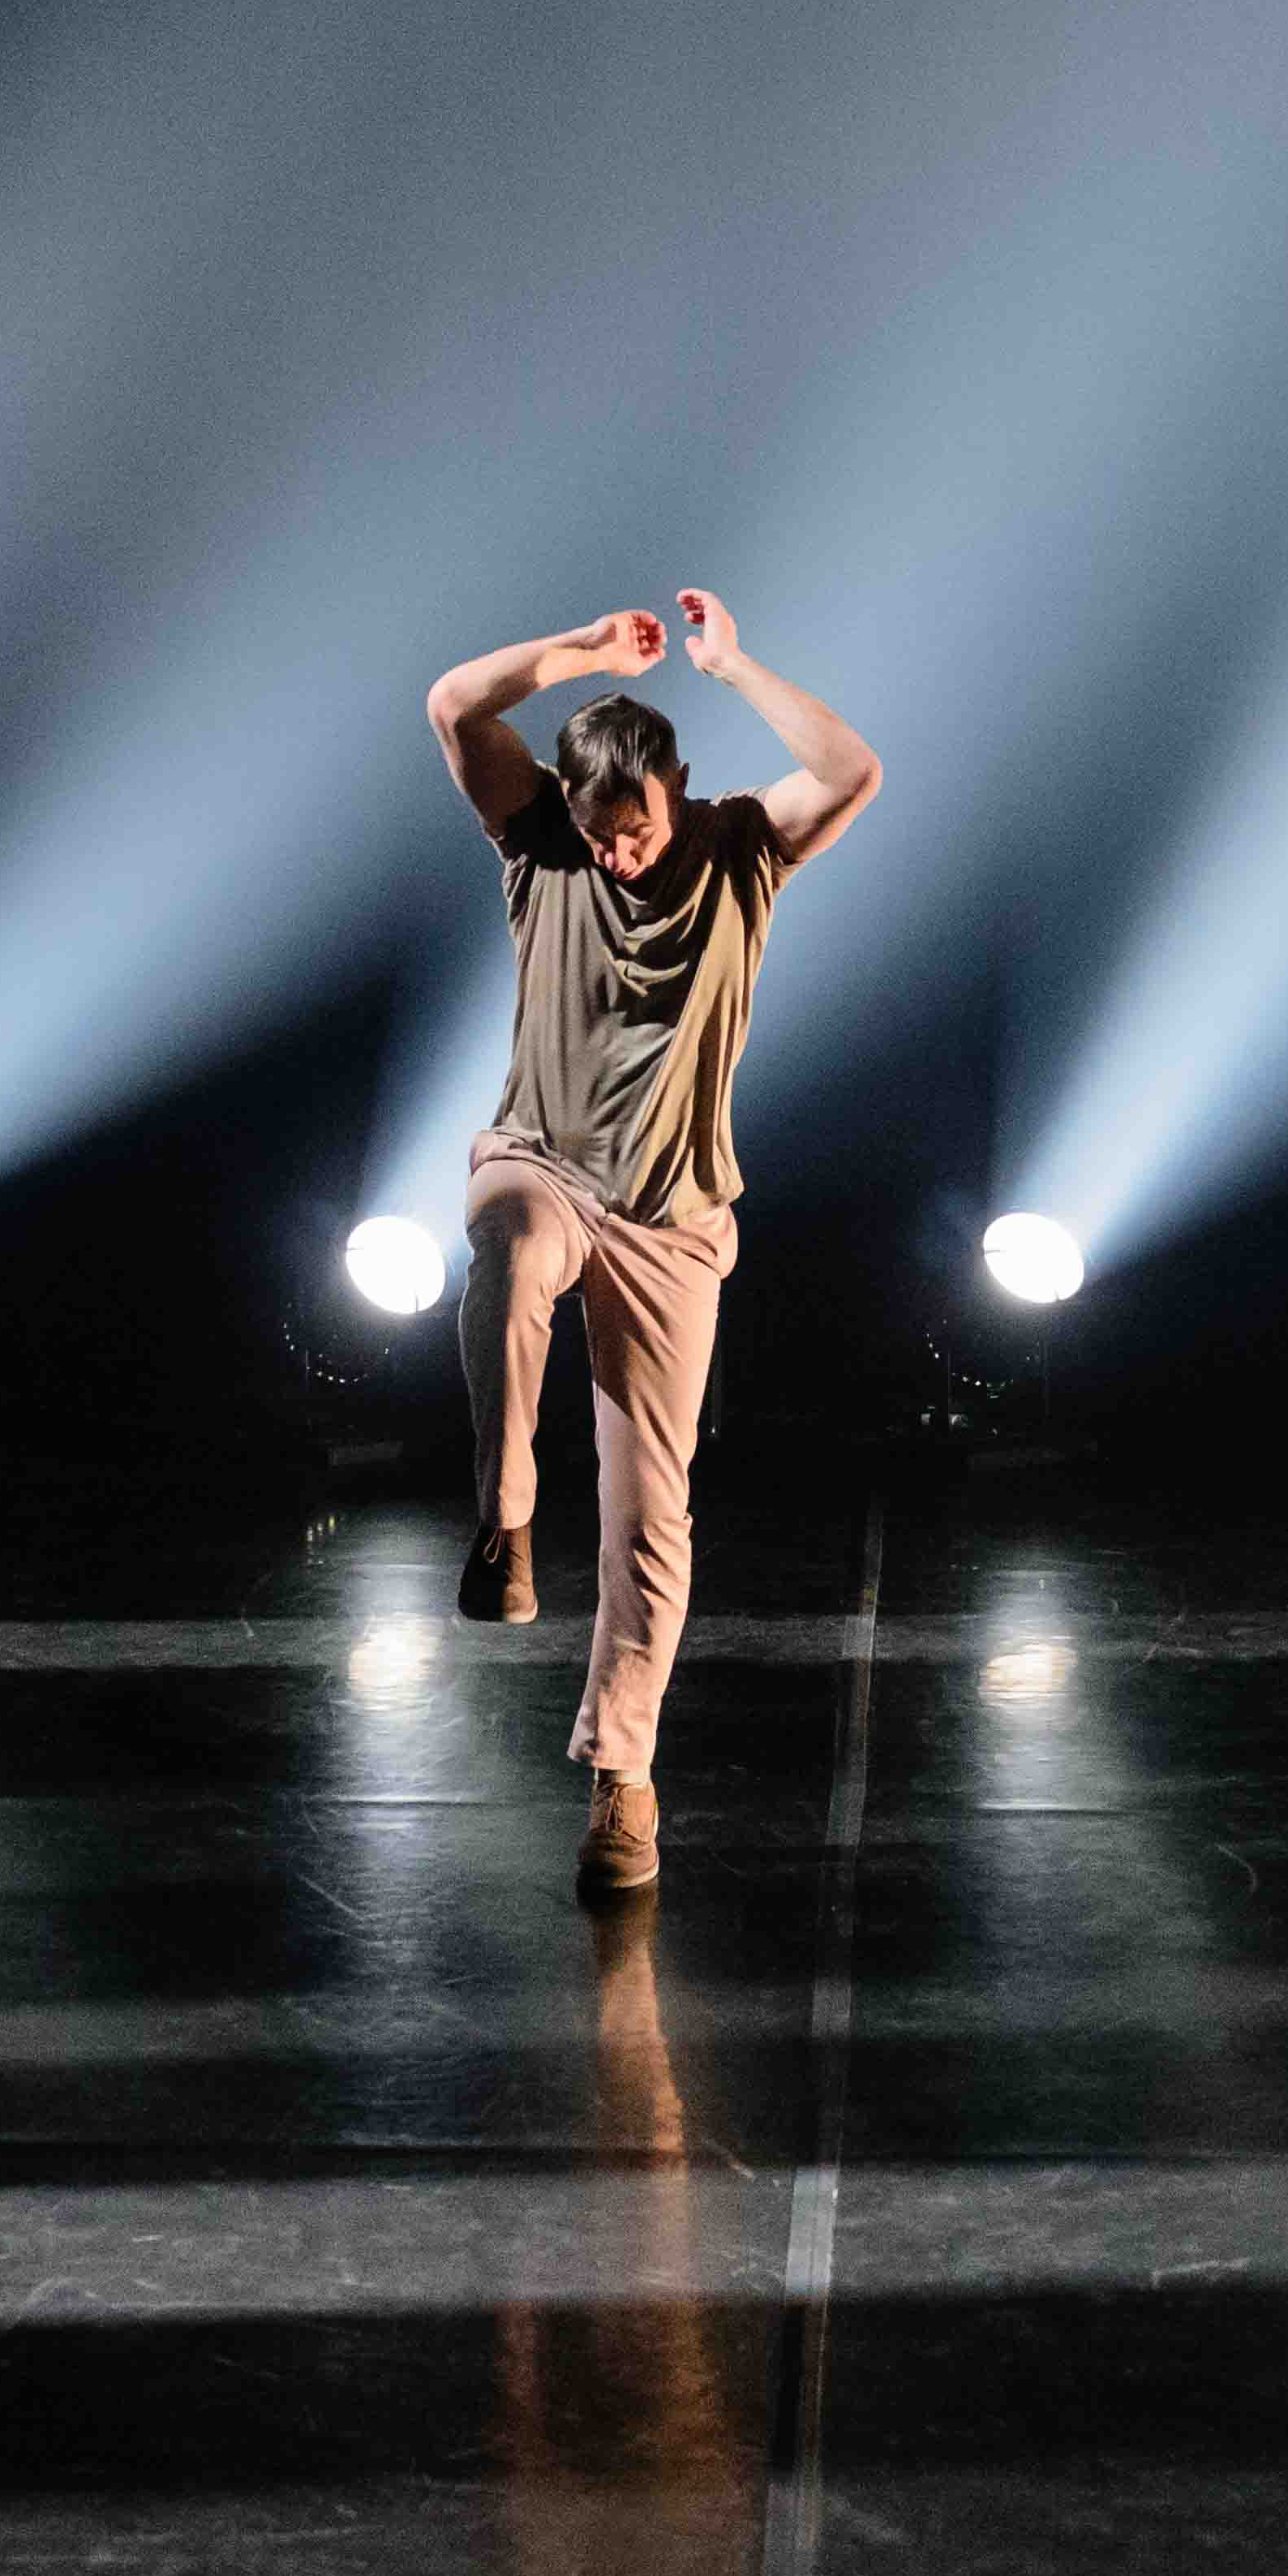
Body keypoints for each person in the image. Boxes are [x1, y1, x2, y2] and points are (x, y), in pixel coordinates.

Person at [420, 586, 878, 1896]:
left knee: (647, 1519)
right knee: (505, 1249)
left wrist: (731, 665)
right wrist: (569, 654)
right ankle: (504, 1524)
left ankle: (623, 1784)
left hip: (674, 1226)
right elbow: (456, 703)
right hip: (543, 1168)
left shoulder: (744, 850)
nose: (616, 855)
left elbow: (851, 769)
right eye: (598, 832)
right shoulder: (539, 845)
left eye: (633, 830)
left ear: (675, 792)